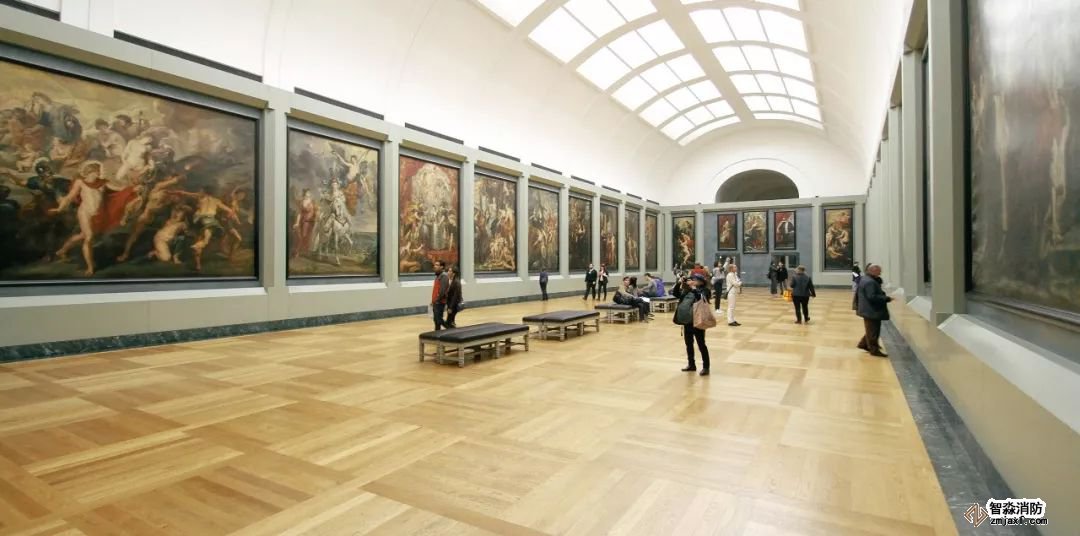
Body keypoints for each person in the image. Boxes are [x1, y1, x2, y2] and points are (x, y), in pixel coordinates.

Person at [673, 273, 711, 376]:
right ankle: (691, 364)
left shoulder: (705, 290)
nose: (692, 281)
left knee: (701, 344)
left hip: (698, 321)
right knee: (688, 344)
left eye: (694, 279)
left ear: (701, 281)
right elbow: (676, 294)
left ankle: (706, 367)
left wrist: (694, 288)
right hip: (687, 322)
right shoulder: (687, 291)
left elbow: (701, 298)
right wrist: (679, 283)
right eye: (691, 279)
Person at [856, 264, 892, 357]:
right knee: (873, 330)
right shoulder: (870, 282)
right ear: (873, 271)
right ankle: (874, 350)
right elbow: (872, 297)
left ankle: (863, 344)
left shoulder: (866, 279)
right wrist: (886, 298)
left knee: (871, 329)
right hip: (871, 310)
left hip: (867, 309)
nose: (880, 273)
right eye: (879, 271)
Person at [430, 260, 449, 330]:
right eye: (435, 265)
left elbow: (442, 291)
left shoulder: (444, 277)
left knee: (438, 319)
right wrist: (433, 301)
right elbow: (436, 290)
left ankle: (451, 329)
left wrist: (437, 300)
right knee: (436, 320)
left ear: (442, 267)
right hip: (436, 302)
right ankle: (437, 333)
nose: (435, 266)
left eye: (437, 265)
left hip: (440, 302)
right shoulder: (438, 276)